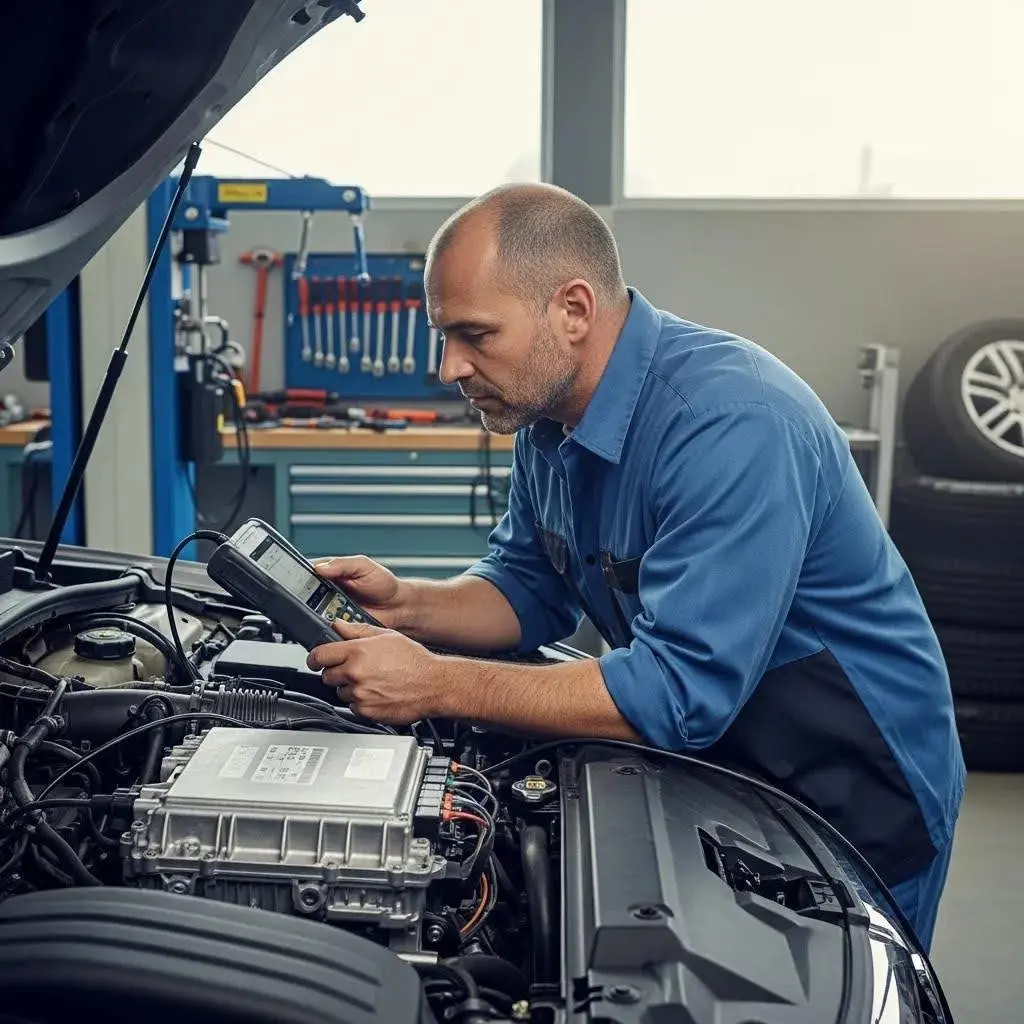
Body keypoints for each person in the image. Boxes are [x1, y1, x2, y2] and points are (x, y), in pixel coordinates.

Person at [307, 182, 965, 952]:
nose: (450, 365)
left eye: (475, 334)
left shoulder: (729, 423)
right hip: (727, 767)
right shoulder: (546, 415)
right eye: (443, 334)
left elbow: (677, 692)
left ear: (574, 311)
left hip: (850, 781)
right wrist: (407, 605)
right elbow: (526, 588)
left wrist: (437, 680)